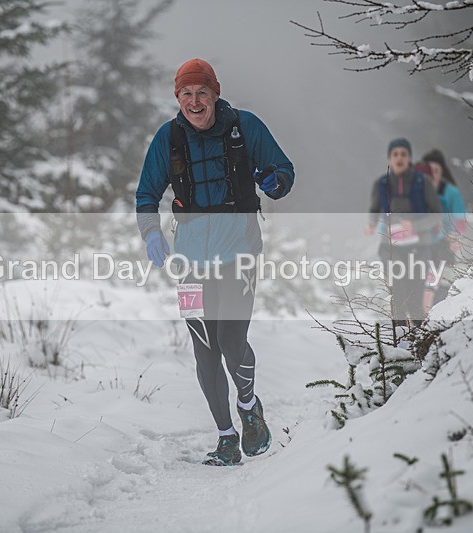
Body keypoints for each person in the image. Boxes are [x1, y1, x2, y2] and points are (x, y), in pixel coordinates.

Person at [135, 59, 294, 466]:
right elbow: (145, 196)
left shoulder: (245, 128)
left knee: (230, 342)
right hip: (188, 261)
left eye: (201, 92)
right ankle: (226, 437)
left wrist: (274, 181)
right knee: (204, 349)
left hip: (239, 253)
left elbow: (283, 171)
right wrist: (152, 234)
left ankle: (248, 406)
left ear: (215, 94)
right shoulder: (168, 138)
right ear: (178, 98)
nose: (194, 101)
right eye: (185, 94)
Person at [365, 138, 441, 327]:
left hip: (419, 246)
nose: (399, 158)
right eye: (395, 154)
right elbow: (374, 209)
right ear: (389, 158)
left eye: (403, 154)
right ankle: (399, 344)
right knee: (397, 294)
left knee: (415, 297)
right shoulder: (381, 183)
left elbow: (437, 215)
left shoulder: (422, 182)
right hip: (391, 247)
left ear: (409, 158)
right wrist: (372, 224)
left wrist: (414, 226)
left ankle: (419, 342)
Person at [421, 149, 467, 312]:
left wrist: (453, 238)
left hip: (444, 245)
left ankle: (442, 316)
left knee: (444, 283)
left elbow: (461, 222)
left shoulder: (451, 193)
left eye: (436, 170)